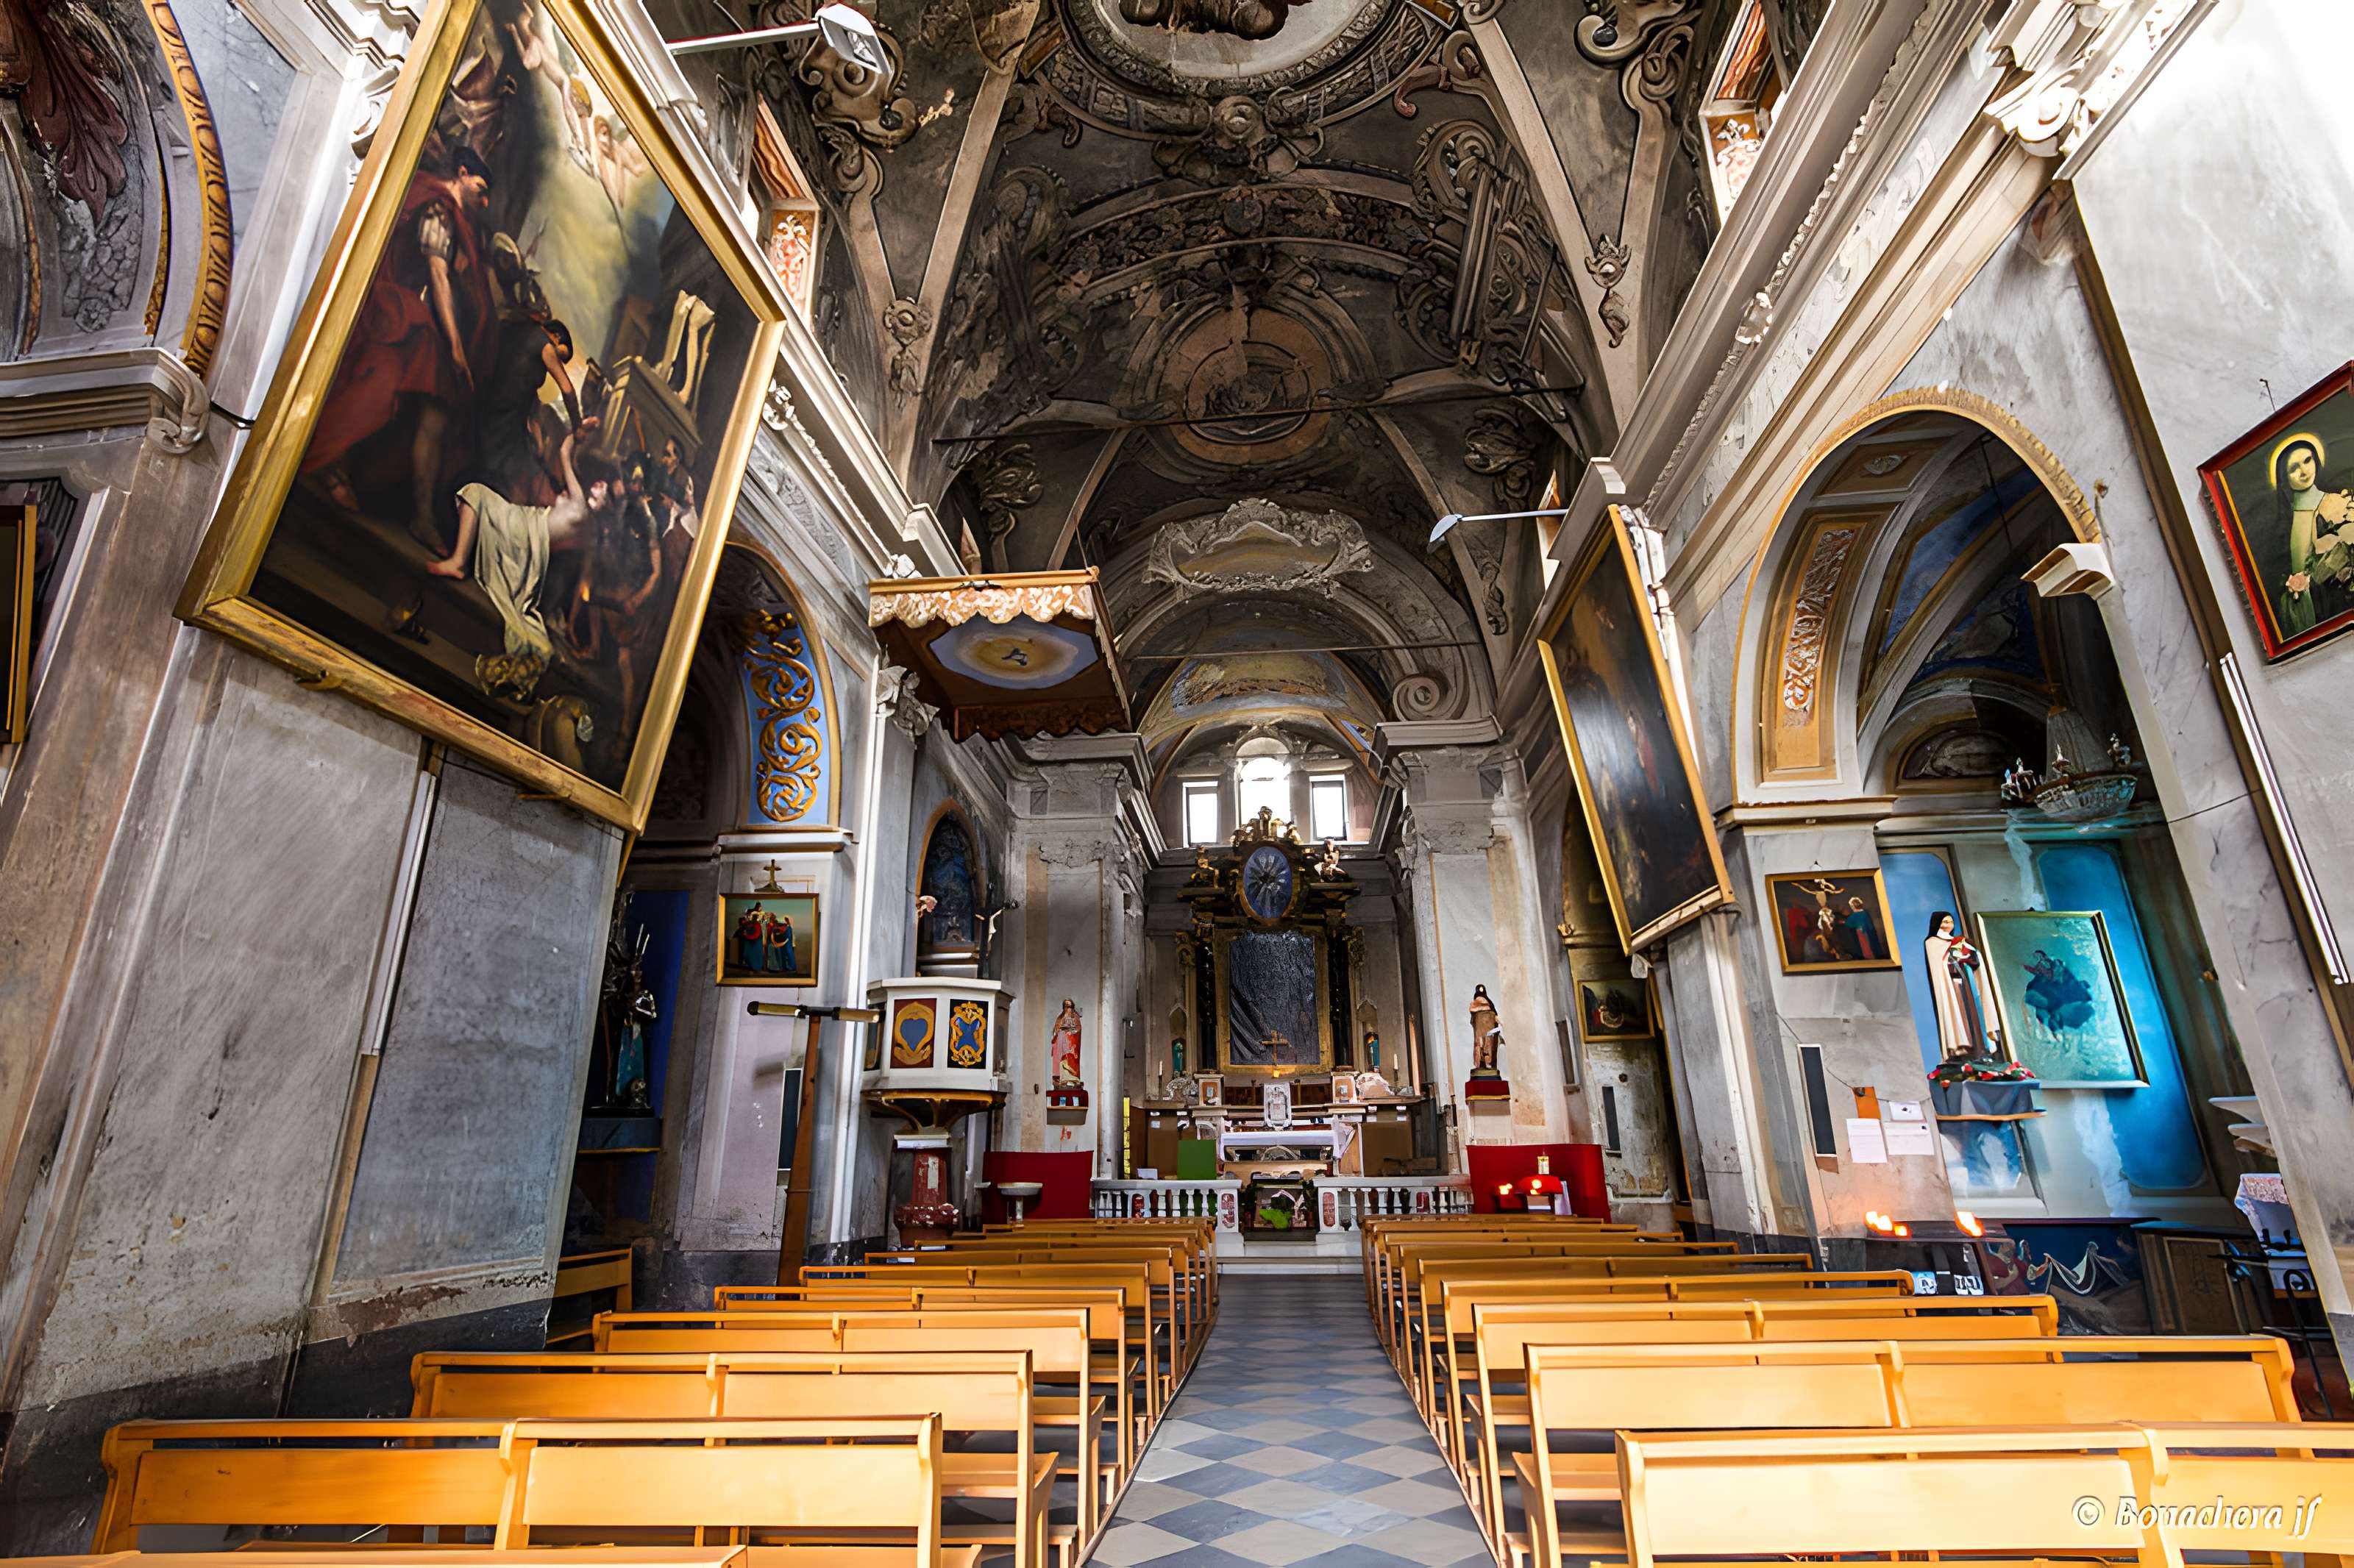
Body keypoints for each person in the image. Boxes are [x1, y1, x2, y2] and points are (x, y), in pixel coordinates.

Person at [304, 147, 497, 548]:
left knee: (433, 409)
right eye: (480, 189)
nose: (485, 201)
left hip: (408, 314)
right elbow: (438, 277)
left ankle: (421, 515)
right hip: (392, 309)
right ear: (462, 174)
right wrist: (459, 351)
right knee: (376, 387)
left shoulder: (443, 209)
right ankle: (329, 466)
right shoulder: (439, 208)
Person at [433, 421, 616, 698]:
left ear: (605, 505)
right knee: (477, 495)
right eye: (601, 485)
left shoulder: (581, 507)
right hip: (529, 531)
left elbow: (566, 454)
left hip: (528, 534)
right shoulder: (583, 514)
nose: (599, 487)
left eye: (605, 491)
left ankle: (459, 560)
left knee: (475, 493)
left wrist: (578, 434)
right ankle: (459, 559)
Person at [2272, 435, 2354, 636]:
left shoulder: (2335, 502)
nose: (2303, 471)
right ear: (2284, 478)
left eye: (2307, 460)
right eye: (2294, 468)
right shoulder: (2286, 524)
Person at [1924, 911, 1999, 1061]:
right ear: (1937, 924)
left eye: (1950, 922)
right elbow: (1940, 966)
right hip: (1952, 986)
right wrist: (1954, 955)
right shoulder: (1932, 943)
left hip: (1968, 983)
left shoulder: (1960, 940)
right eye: (1944, 922)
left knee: (1975, 1012)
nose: (1948, 925)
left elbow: (1975, 960)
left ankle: (1982, 1047)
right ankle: (1961, 1046)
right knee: (1958, 1014)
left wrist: (1968, 954)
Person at [1050, 998, 1083, 1085]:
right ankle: (1062, 1078)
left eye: (1069, 1007)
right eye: (1066, 1006)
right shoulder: (1060, 1017)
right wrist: (1060, 1032)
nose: (1068, 1009)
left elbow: (1078, 1030)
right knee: (1061, 1059)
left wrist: (1070, 1032)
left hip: (1071, 1043)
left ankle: (1073, 1077)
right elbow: (1055, 1031)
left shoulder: (1075, 1017)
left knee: (1071, 1059)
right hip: (1062, 1042)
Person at [734, 902, 766, 972]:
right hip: (750, 941)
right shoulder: (748, 923)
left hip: (756, 941)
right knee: (747, 954)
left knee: (755, 955)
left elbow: (757, 932)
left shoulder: (756, 924)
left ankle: (755, 968)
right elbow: (745, 931)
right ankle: (751, 966)